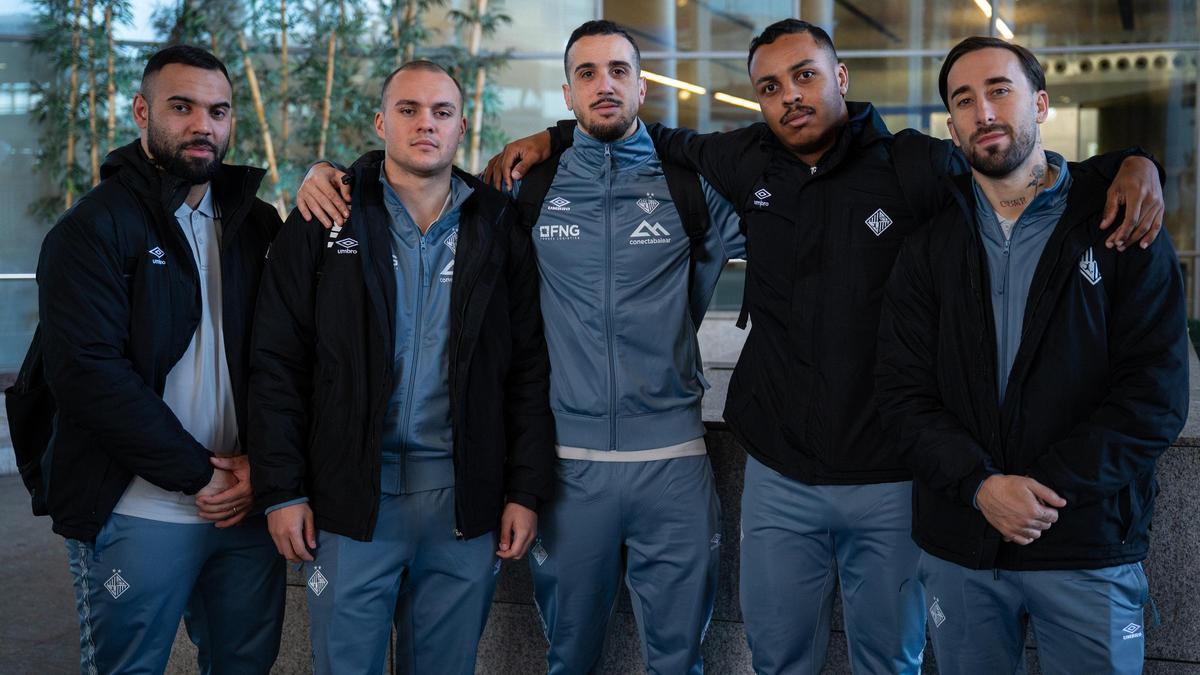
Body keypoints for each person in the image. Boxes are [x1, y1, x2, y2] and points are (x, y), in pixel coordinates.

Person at [483, 18, 1165, 675]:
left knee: (889, 660)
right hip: (781, 471)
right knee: (775, 658)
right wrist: (555, 134)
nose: (791, 96)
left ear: (840, 75)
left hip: (890, 474)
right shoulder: (743, 159)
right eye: (772, 87)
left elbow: (1008, 163)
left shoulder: (908, 164)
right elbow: (638, 130)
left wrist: (1131, 164)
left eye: (805, 76)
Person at [294, 21, 744, 674]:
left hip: (673, 462)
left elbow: (787, 204)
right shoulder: (524, 190)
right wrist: (334, 172)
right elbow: (425, 176)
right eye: (587, 73)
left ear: (643, 86)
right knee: (567, 659)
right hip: (566, 471)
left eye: (619, 70)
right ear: (567, 93)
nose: (604, 84)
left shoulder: (690, 189)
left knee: (680, 660)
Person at [875, 36, 1188, 675]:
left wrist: (1041, 493)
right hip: (962, 546)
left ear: (1040, 103)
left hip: (1085, 545)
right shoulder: (929, 244)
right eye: (964, 101)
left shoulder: (1120, 225)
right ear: (951, 125)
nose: (983, 112)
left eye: (1000, 90)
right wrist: (982, 486)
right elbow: (902, 393)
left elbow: (1154, 397)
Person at [248, 60, 555, 674]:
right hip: (352, 497)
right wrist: (282, 489)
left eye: (442, 112)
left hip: (462, 501)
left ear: (461, 126)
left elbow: (526, 371)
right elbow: (276, 363)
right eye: (410, 110)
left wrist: (524, 489)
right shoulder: (324, 218)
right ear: (381, 121)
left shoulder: (498, 227)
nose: (426, 124)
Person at [34, 45, 285, 673]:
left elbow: (285, 358)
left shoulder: (257, 223)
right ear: (143, 112)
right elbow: (89, 375)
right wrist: (201, 475)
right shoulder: (91, 229)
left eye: (219, 111)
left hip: (245, 507)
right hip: (137, 507)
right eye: (183, 107)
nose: (203, 124)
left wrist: (265, 467)